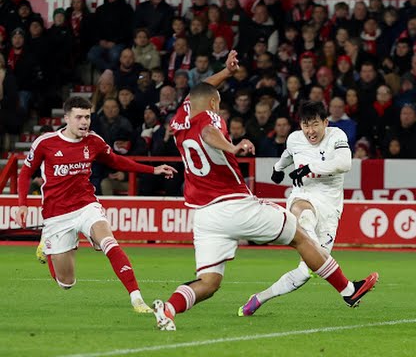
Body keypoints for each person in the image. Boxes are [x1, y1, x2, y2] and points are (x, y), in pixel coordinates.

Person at [151, 53, 378, 331]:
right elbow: (209, 131)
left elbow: (200, 92)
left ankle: (170, 308)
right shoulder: (209, 119)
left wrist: (225, 71)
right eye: (218, 102)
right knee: (301, 237)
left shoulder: (180, 119)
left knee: (209, 283)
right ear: (212, 104)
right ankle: (347, 290)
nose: (219, 106)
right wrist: (231, 147)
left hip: (204, 215)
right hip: (235, 205)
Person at [13, 96, 176, 313]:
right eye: (79, 117)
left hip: (86, 205)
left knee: (108, 241)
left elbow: (117, 161)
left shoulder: (94, 141)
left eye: (87, 117)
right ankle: (48, 244)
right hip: (57, 215)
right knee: (66, 283)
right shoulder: (46, 143)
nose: (84, 122)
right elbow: (25, 173)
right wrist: (22, 204)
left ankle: (137, 299)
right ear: (67, 118)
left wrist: (152, 169)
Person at [241, 100, 352, 315]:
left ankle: (259, 298)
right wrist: (278, 168)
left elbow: (344, 163)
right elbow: (288, 154)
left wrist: (311, 168)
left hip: (330, 205)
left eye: (315, 124)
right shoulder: (294, 139)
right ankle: (349, 289)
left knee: (306, 271)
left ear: (325, 122)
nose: (310, 131)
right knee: (304, 213)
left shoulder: (336, 136)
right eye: (305, 125)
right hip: (302, 195)